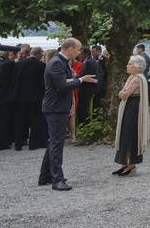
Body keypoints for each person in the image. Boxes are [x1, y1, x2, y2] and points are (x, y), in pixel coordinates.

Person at [40, 38, 98, 190]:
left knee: (53, 142)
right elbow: (60, 85)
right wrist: (80, 80)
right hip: (55, 108)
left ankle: (45, 176)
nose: (79, 53)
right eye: (77, 49)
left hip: (58, 107)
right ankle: (57, 180)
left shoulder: (61, 61)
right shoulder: (57, 62)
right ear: (70, 48)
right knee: (57, 143)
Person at [112, 55, 149, 176]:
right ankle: (126, 164)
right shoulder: (136, 77)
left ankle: (130, 164)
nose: (128, 66)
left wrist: (122, 92)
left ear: (138, 67)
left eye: (130, 64)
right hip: (132, 106)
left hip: (132, 108)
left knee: (129, 134)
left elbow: (123, 95)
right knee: (127, 133)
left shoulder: (136, 79)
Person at [14, 46, 46, 150]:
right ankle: (33, 144)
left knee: (20, 120)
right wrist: (42, 95)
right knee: (34, 121)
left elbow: (15, 81)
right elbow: (42, 83)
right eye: (41, 53)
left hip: (20, 97)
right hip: (35, 97)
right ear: (38, 54)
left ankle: (18, 144)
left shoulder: (19, 64)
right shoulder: (41, 65)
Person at [0, 45, 17, 150]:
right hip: (6, 96)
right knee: (5, 120)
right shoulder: (10, 64)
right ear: (7, 54)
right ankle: (3, 143)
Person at [77, 44, 106, 128]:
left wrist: (76, 76)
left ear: (85, 54)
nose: (79, 54)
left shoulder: (88, 62)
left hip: (87, 89)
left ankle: (84, 125)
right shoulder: (91, 61)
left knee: (83, 107)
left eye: (80, 53)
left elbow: (86, 75)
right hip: (92, 88)